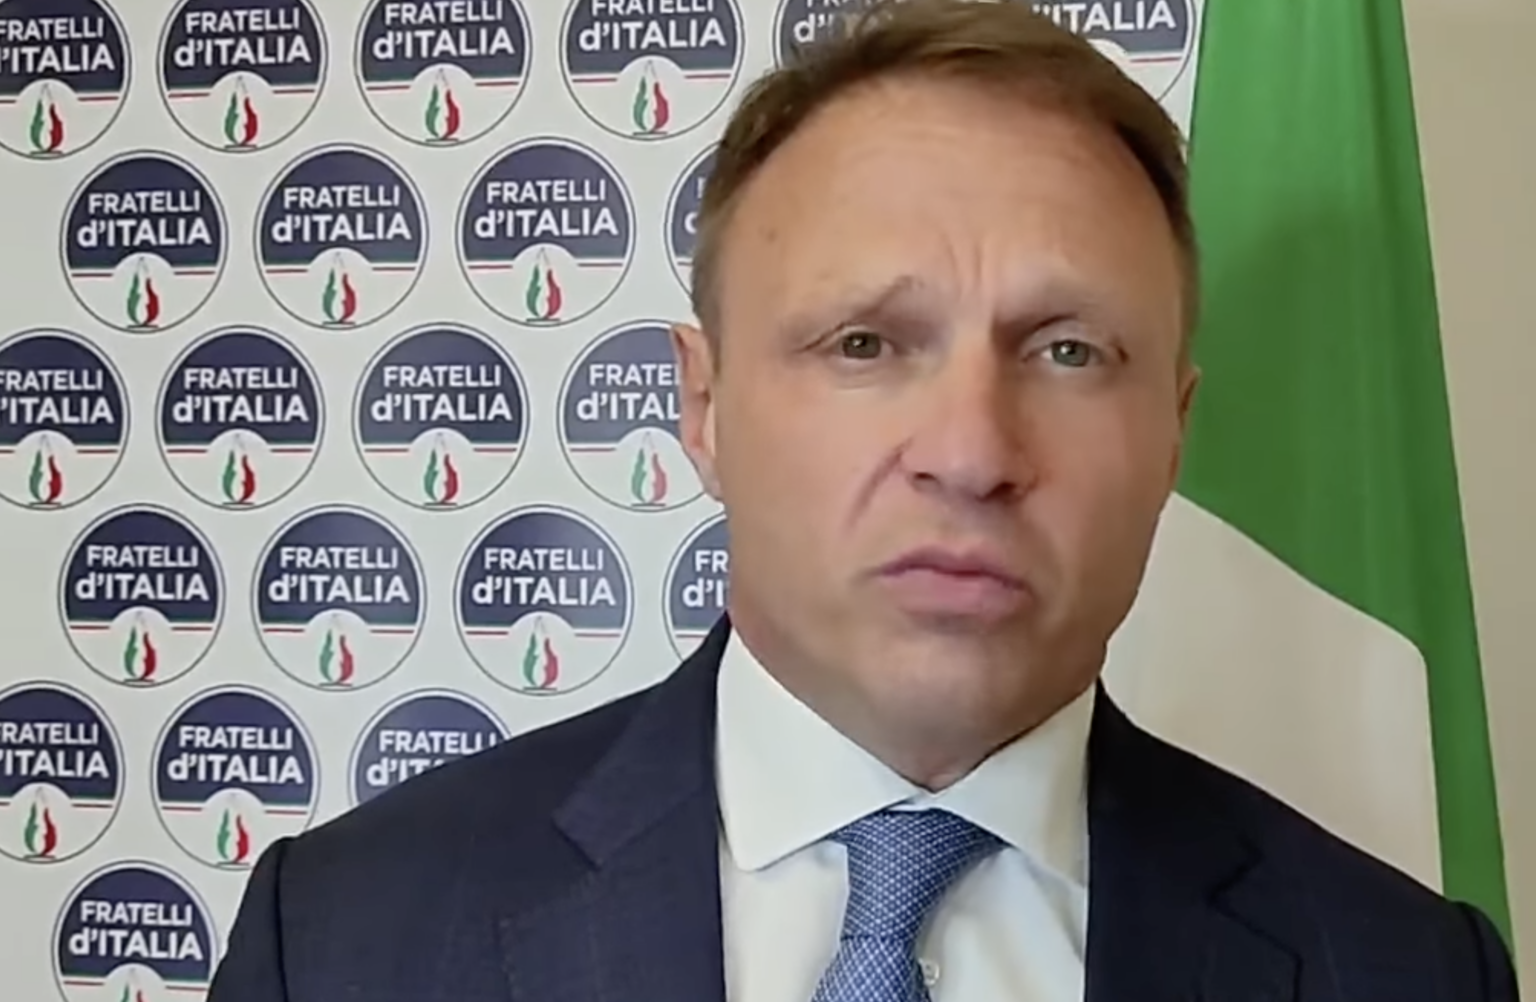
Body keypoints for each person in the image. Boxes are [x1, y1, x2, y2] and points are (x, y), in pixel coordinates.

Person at [208, 2, 1519, 1000]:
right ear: (704, 406)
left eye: (1069, 350)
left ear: (1173, 431)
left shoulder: (1407, 970)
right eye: (865, 344)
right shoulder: (339, 939)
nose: (971, 451)